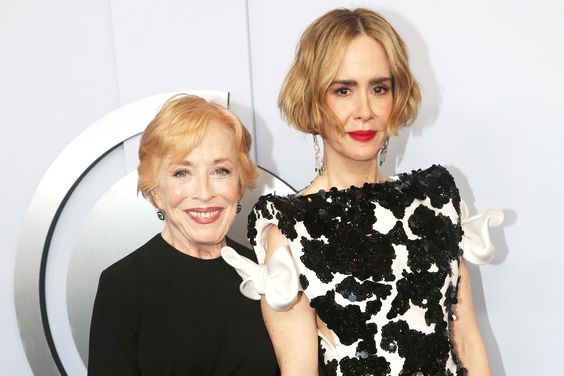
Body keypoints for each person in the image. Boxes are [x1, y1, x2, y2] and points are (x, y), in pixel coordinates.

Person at [222, 8, 503, 376]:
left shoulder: (434, 202)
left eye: (379, 88)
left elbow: (466, 341)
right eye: (343, 90)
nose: (365, 111)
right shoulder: (290, 230)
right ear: (312, 99)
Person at [88, 95, 279, 375]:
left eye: (220, 170)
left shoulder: (270, 273)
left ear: (240, 184)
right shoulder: (123, 286)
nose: (203, 192)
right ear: (155, 192)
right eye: (181, 173)